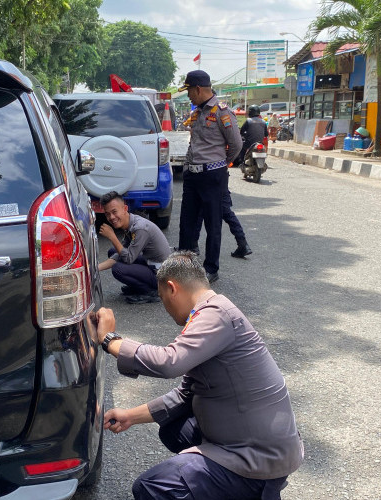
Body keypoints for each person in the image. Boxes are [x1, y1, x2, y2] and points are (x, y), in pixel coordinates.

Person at [94, 252, 304, 500]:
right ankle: (226, 486)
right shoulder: (210, 312)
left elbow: (169, 362)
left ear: (172, 288)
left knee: (152, 486)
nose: (165, 308)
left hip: (259, 457)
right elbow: (186, 393)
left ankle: (251, 488)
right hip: (245, 442)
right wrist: (130, 416)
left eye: (162, 299)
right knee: (173, 427)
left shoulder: (216, 314)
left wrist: (109, 340)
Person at [177, 70, 242, 284]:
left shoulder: (223, 112)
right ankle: (184, 264)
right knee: (187, 222)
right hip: (193, 175)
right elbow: (193, 144)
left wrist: (220, 164)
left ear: (198, 89)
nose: (188, 96)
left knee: (212, 224)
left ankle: (211, 268)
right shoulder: (197, 112)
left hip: (213, 175)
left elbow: (236, 145)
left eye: (189, 91)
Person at [98, 191, 171, 304]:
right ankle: (139, 285)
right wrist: (95, 268)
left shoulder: (140, 228)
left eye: (114, 212)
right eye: (107, 214)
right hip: (151, 263)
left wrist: (112, 237)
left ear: (125, 208)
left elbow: (128, 258)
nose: (111, 217)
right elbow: (120, 253)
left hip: (162, 276)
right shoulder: (130, 223)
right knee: (113, 251)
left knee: (118, 269)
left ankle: (151, 291)